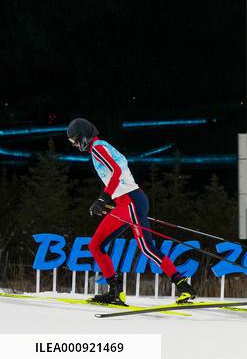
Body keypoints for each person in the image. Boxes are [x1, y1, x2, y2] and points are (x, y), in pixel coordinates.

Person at [68, 118, 196, 306]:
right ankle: (115, 292)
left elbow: (117, 171)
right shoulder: (101, 147)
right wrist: (106, 199)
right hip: (126, 202)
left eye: (75, 140)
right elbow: (117, 174)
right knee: (96, 245)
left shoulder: (97, 148)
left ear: (84, 136)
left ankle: (183, 286)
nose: (75, 144)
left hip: (130, 200)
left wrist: (103, 198)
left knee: (146, 247)